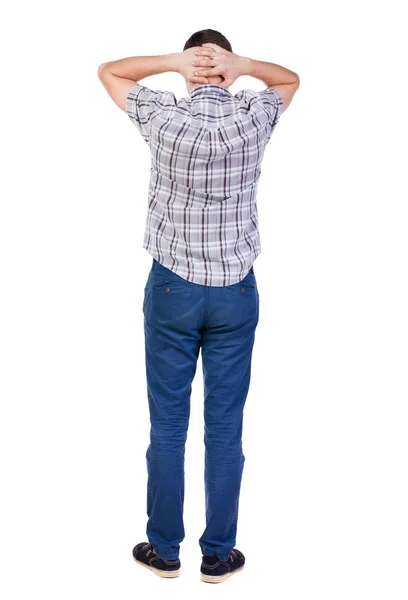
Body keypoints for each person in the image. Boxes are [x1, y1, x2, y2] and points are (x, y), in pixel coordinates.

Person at [98, 28, 299, 584]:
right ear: (228, 67)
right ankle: (218, 555)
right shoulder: (255, 115)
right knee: (225, 429)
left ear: (191, 69)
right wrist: (246, 64)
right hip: (236, 290)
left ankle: (164, 551)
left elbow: (109, 71)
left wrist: (172, 63)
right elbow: (290, 79)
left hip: (172, 290)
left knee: (167, 425)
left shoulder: (164, 115)